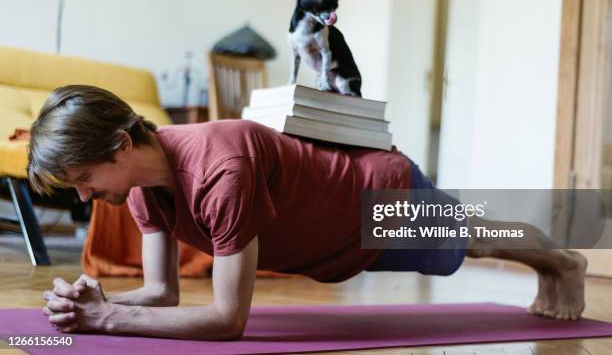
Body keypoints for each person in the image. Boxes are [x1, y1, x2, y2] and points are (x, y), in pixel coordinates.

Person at [30, 85, 587, 340]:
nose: (82, 197)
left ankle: (562, 260)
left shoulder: (221, 169)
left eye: (83, 180)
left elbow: (228, 321)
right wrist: (103, 302)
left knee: (475, 241)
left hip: (375, 202)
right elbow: (163, 294)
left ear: (123, 147)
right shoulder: (139, 190)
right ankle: (553, 258)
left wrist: (107, 320)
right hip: (331, 241)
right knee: (469, 238)